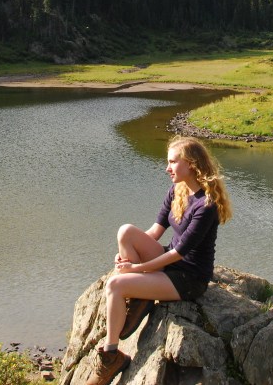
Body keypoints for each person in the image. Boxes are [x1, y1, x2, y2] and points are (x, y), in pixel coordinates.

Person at [87, 135, 233, 385]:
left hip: (189, 278)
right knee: (125, 232)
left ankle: (111, 357)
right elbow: (154, 232)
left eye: (173, 162)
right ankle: (140, 297)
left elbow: (179, 253)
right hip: (170, 261)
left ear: (192, 164)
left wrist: (136, 269)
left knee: (115, 285)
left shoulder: (206, 205)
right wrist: (125, 255)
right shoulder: (177, 190)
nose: (167, 168)